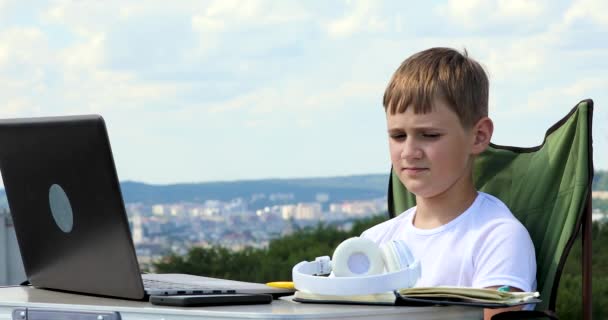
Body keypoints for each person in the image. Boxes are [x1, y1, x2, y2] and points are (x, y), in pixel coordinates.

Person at [361, 47, 537, 319]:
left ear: (478, 136)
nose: (409, 151)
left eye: (429, 135)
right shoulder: (373, 242)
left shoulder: (497, 237)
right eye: (397, 136)